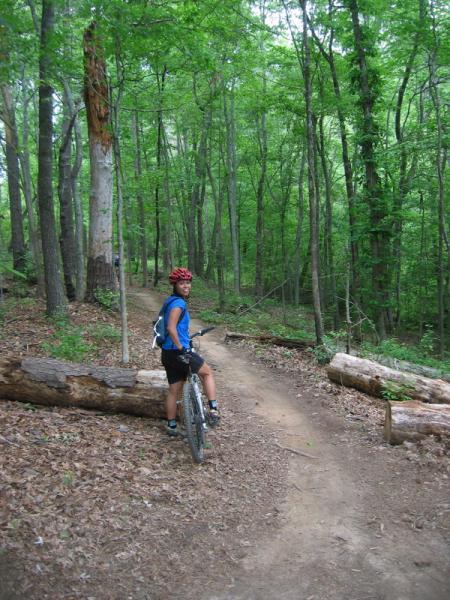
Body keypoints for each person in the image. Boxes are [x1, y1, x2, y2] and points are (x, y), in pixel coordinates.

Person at [161, 267, 220, 436]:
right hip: (178, 351)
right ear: (175, 285)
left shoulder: (169, 301)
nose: (185, 286)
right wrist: (181, 348)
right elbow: (171, 328)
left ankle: (172, 425)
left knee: (174, 390)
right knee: (207, 373)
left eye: (188, 283)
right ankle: (214, 410)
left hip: (167, 353)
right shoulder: (179, 304)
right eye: (182, 283)